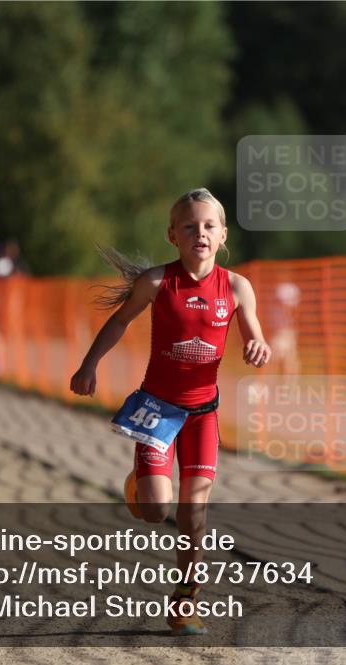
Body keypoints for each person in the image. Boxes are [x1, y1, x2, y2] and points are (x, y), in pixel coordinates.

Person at [70, 188, 271, 636]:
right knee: (156, 509)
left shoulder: (237, 287)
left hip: (203, 414)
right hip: (158, 411)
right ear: (172, 236)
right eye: (189, 226)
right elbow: (120, 321)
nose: (200, 233)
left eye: (209, 226)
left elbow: (254, 332)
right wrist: (89, 365)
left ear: (223, 235)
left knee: (193, 512)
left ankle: (185, 600)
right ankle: (138, 484)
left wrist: (258, 344)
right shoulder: (158, 282)